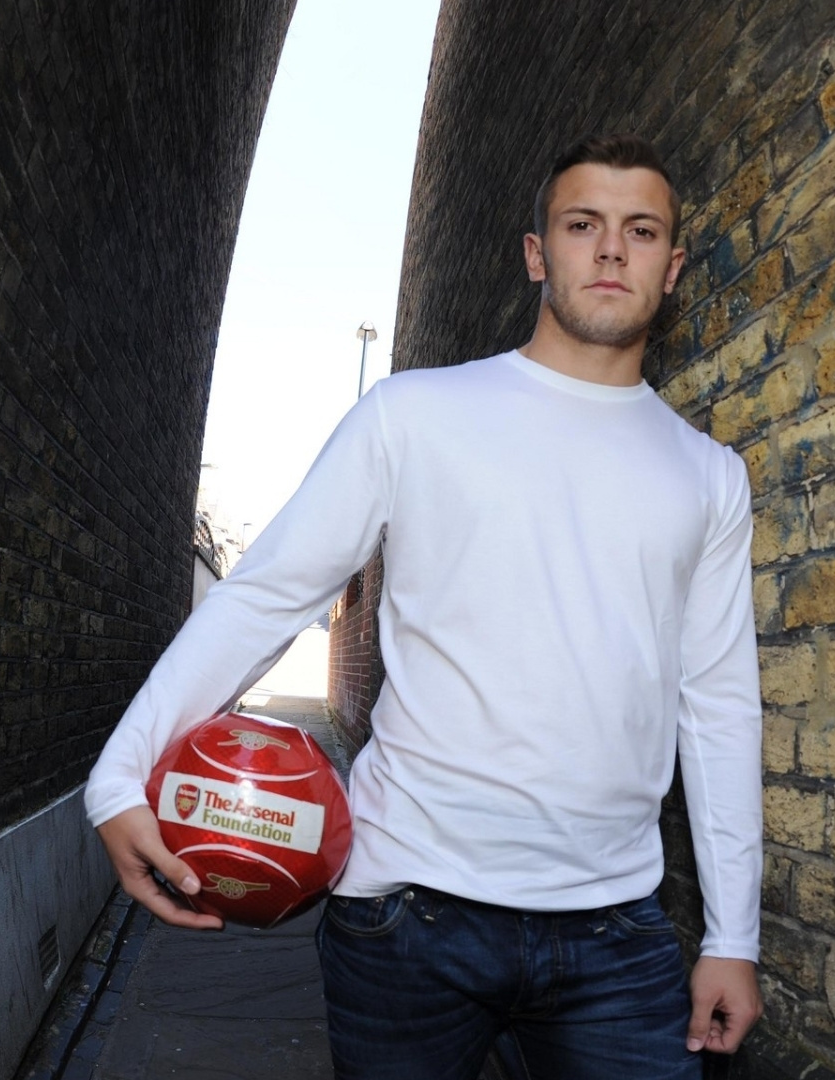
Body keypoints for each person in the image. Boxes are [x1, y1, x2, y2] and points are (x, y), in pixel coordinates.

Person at [84, 133, 763, 1079]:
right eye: (582, 225)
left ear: (672, 264)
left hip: (618, 934)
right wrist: (118, 775)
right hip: (406, 921)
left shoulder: (710, 477)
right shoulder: (413, 415)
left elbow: (720, 706)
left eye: (640, 230)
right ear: (539, 253)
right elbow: (269, 593)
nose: (611, 250)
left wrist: (736, 934)